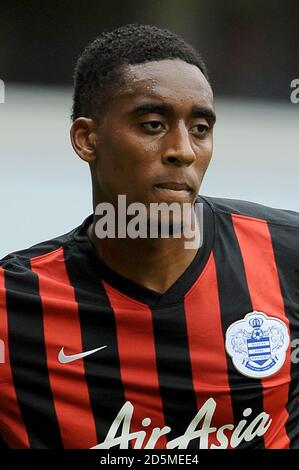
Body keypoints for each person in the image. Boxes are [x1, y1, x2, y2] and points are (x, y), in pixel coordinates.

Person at [0, 23, 298, 450]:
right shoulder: (13, 303)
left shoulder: (286, 256)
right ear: (87, 139)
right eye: (154, 124)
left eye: (200, 128)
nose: (184, 150)